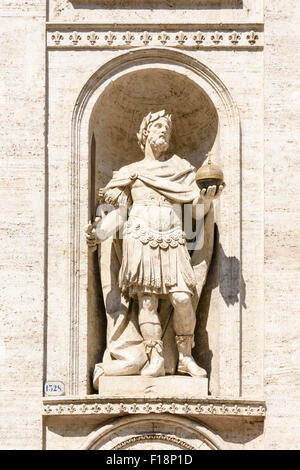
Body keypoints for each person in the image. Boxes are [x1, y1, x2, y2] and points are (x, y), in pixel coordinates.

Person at [86, 110, 224, 382]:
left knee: (183, 298)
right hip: (140, 238)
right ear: (145, 133)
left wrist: (208, 200)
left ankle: (185, 357)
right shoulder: (130, 173)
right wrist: (99, 233)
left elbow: (195, 214)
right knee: (146, 303)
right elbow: (119, 213)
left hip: (172, 237)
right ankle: (156, 358)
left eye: (167, 129)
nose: (164, 132)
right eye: (158, 126)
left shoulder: (182, 170)